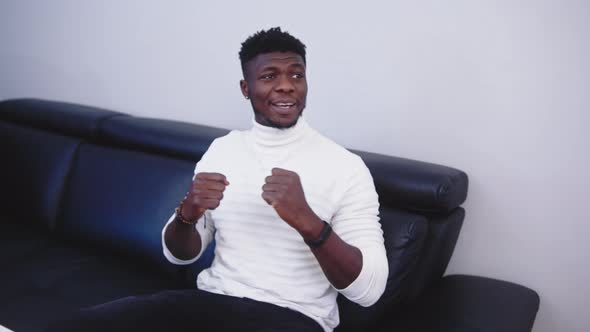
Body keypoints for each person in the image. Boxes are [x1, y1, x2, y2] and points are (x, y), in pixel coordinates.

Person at [47, 27, 388, 332]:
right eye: (269, 76)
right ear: (246, 87)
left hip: (294, 317)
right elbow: (180, 255)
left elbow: (370, 292)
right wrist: (188, 213)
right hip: (210, 303)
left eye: (296, 75)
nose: (286, 85)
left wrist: (310, 224)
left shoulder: (345, 167)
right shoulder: (223, 150)